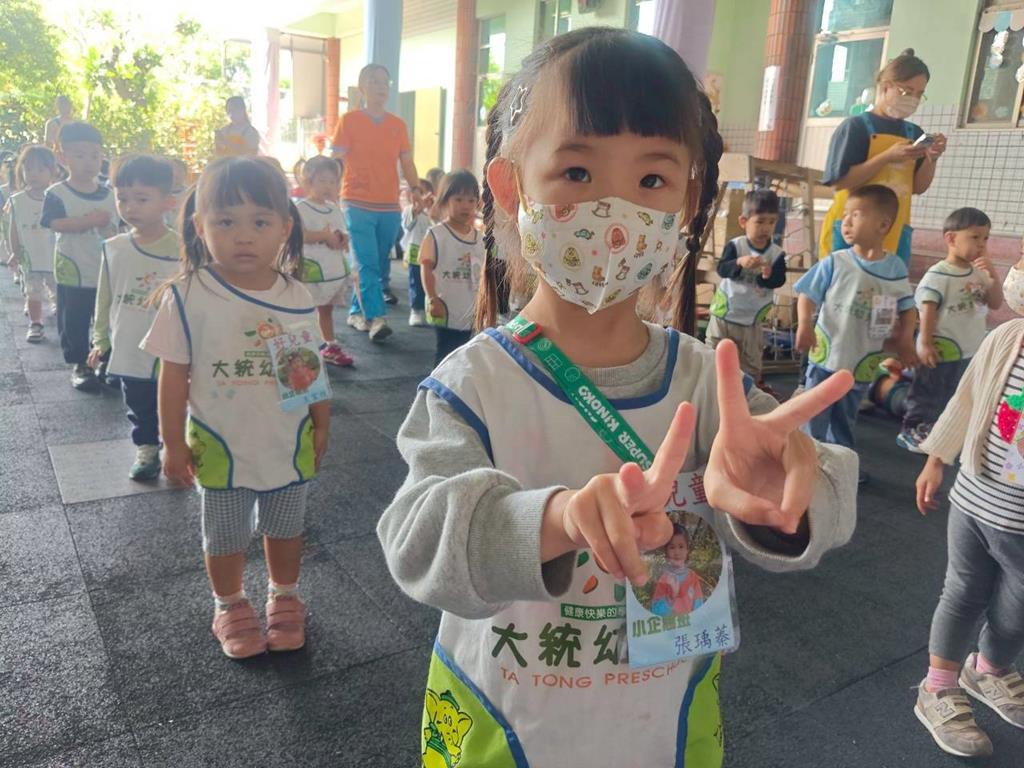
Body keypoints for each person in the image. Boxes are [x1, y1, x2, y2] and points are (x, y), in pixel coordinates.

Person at [377, 28, 858, 767]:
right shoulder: (473, 384)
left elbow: (825, 501)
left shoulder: (710, 383)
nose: (615, 211)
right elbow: (416, 541)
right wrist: (555, 519)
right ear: (510, 187)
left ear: (688, 201)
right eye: (577, 171)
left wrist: (785, 499)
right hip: (505, 729)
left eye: (652, 180)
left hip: (666, 729)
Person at [141, 156, 329, 659]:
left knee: (285, 529)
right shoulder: (187, 295)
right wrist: (171, 443)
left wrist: (321, 424)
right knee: (224, 535)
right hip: (219, 445)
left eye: (260, 222)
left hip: (287, 441)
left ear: (284, 228)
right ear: (199, 226)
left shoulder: (296, 294)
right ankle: (229, 603)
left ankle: (284, 594)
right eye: (225, 221)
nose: (243, 236)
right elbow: (173, 377)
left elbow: (305, 371)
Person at [913, 260, 1024, 759]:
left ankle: (989, 670)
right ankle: (938, 686)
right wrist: (936, 458)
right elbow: (966, 398)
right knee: (961, 592)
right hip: (975, 500)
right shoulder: (1006, 338)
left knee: (1016, 610)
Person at [795, 184, 916, 477]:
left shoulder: (895, 268)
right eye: (845, 214)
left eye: (856, 215)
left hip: (861, 362)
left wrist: (905, 339)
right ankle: (804, 462)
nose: (845, 221)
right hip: (826, 355)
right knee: (813, 412)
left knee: (845, 417)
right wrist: (804, 325)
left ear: (883, 225)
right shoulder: (836, 261)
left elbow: (907, 307)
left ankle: (840, 466)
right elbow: (807, 294)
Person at [87, 155, 180, 480]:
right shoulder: (114, 247)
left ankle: (177, 444)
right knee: (138, 399)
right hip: (129, 342)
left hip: (172, 346)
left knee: (176, 398)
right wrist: (100, 338)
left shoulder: (183, 248)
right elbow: (105, 296)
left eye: (142, 199)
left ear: (168, 202)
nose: (130, 207)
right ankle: (147, 448)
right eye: (122, 198)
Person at [819, 49, 945, 267]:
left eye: (919, 94)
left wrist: (932, 159)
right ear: (886, 86)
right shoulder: (855, 127)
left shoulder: (913, 133)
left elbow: (917, 187)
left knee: (887, 286)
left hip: (894, 229)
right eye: (907, 91)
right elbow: (840, 183)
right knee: (843, 284)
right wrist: (886, 157)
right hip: (851, 229)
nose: (913, 99)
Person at [897, 208, 1003, 453]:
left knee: (954, 393)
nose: (981, 244)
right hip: (941, 348)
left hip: (969, 350)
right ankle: (911, 430)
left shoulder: (978, 273)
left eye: (985, 238)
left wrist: (993, 275)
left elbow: (995, 302)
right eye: (975, 237)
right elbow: (927, 310)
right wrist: (924, 343)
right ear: (951, 238)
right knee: (927, 391)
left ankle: (941, 432)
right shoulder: (938, 274)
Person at [330, 64, 419, 341]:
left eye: (385, 82)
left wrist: (416, 188)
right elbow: (336, 161)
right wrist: (328, 192)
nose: (381, 87)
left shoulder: (397, 125)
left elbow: (407, 162)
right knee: (366, 262)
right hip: (356, 202)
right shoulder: (349, 121)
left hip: (389, 205)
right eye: (374, 81)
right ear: (362, 88)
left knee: (377, 263)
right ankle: (377, 318)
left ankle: (357, 312)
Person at [40, 121, 119, 391]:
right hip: (72, 268)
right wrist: (88, 221)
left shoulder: (110, 194)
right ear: (63, 158)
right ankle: (80, 364)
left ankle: (106, 359)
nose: (89, 162)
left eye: (95, 155)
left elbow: (116, 228)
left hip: (105, 268)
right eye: (80, 155)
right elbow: (54, 223)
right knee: (74, 317)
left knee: (106, 316)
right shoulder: (56, 193)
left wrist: (108, 229)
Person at [707, 189, 787, 391]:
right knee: (713, 354)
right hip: (724, 314)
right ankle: (710, 390)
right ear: (744, 221)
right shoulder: (736, 245)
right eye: (760, 222)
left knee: (750, 362)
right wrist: (739, 262)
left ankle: (749, 394)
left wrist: (768, 276)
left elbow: (779, 280)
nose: (766, 228)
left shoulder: (776, 254)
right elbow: (722, 269)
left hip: (751, 320)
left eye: (771, 222)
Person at [419, 170, 484, 365]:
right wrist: (432, 298)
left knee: (467, 354)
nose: (466, 205)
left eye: (471, 200)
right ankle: (438, 383)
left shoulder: (480, 238)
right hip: (445, 305)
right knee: (446, 353)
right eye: (459, 199)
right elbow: (426, 267)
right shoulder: (436, 234)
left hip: (471, 307)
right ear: (445, 200)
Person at [295, 156, 354, 367]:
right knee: (306, 309)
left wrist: (342, 238)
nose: (328, 186)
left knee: (326, 308)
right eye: (322, 181)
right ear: (308, 181)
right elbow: (298, 235)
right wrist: (324, 236)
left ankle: (329, 344)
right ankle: (305, 347)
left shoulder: (334, 208)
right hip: (312, 270)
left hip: (332, 269)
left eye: (332, 181)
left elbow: (342, 231)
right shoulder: (302, 208)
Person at [4, 145, 58, 342]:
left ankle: (58, 307)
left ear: (52, 172)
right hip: (30, 257)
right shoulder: (17, 200)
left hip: (55, 257)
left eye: (41, 169)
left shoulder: (57, 197)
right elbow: (14, 229)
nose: (34, 174)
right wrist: (14, 251)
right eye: (28, 169)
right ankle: (35, 323)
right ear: (21, 171)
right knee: (32, 293)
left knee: (58, 290)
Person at [650, 524, 704, 617]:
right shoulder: (664, 579)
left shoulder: (693, 577)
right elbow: (656, 611)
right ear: (666, 552)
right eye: (672, 547)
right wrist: (670, 597)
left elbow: (699, 605)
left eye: (681, 546)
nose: (677, 552)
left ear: (687, 550)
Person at [402, 179, 434, 327]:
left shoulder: (433, 210)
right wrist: (417, 209)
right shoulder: (409, 210)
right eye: (417, 192)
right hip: (415, 251)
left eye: (423, 192)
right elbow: (407, 226)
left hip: (432, 252)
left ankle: (430, 308)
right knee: (416, 281)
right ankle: (415, 310)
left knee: (431, 281)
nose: (421, 196)